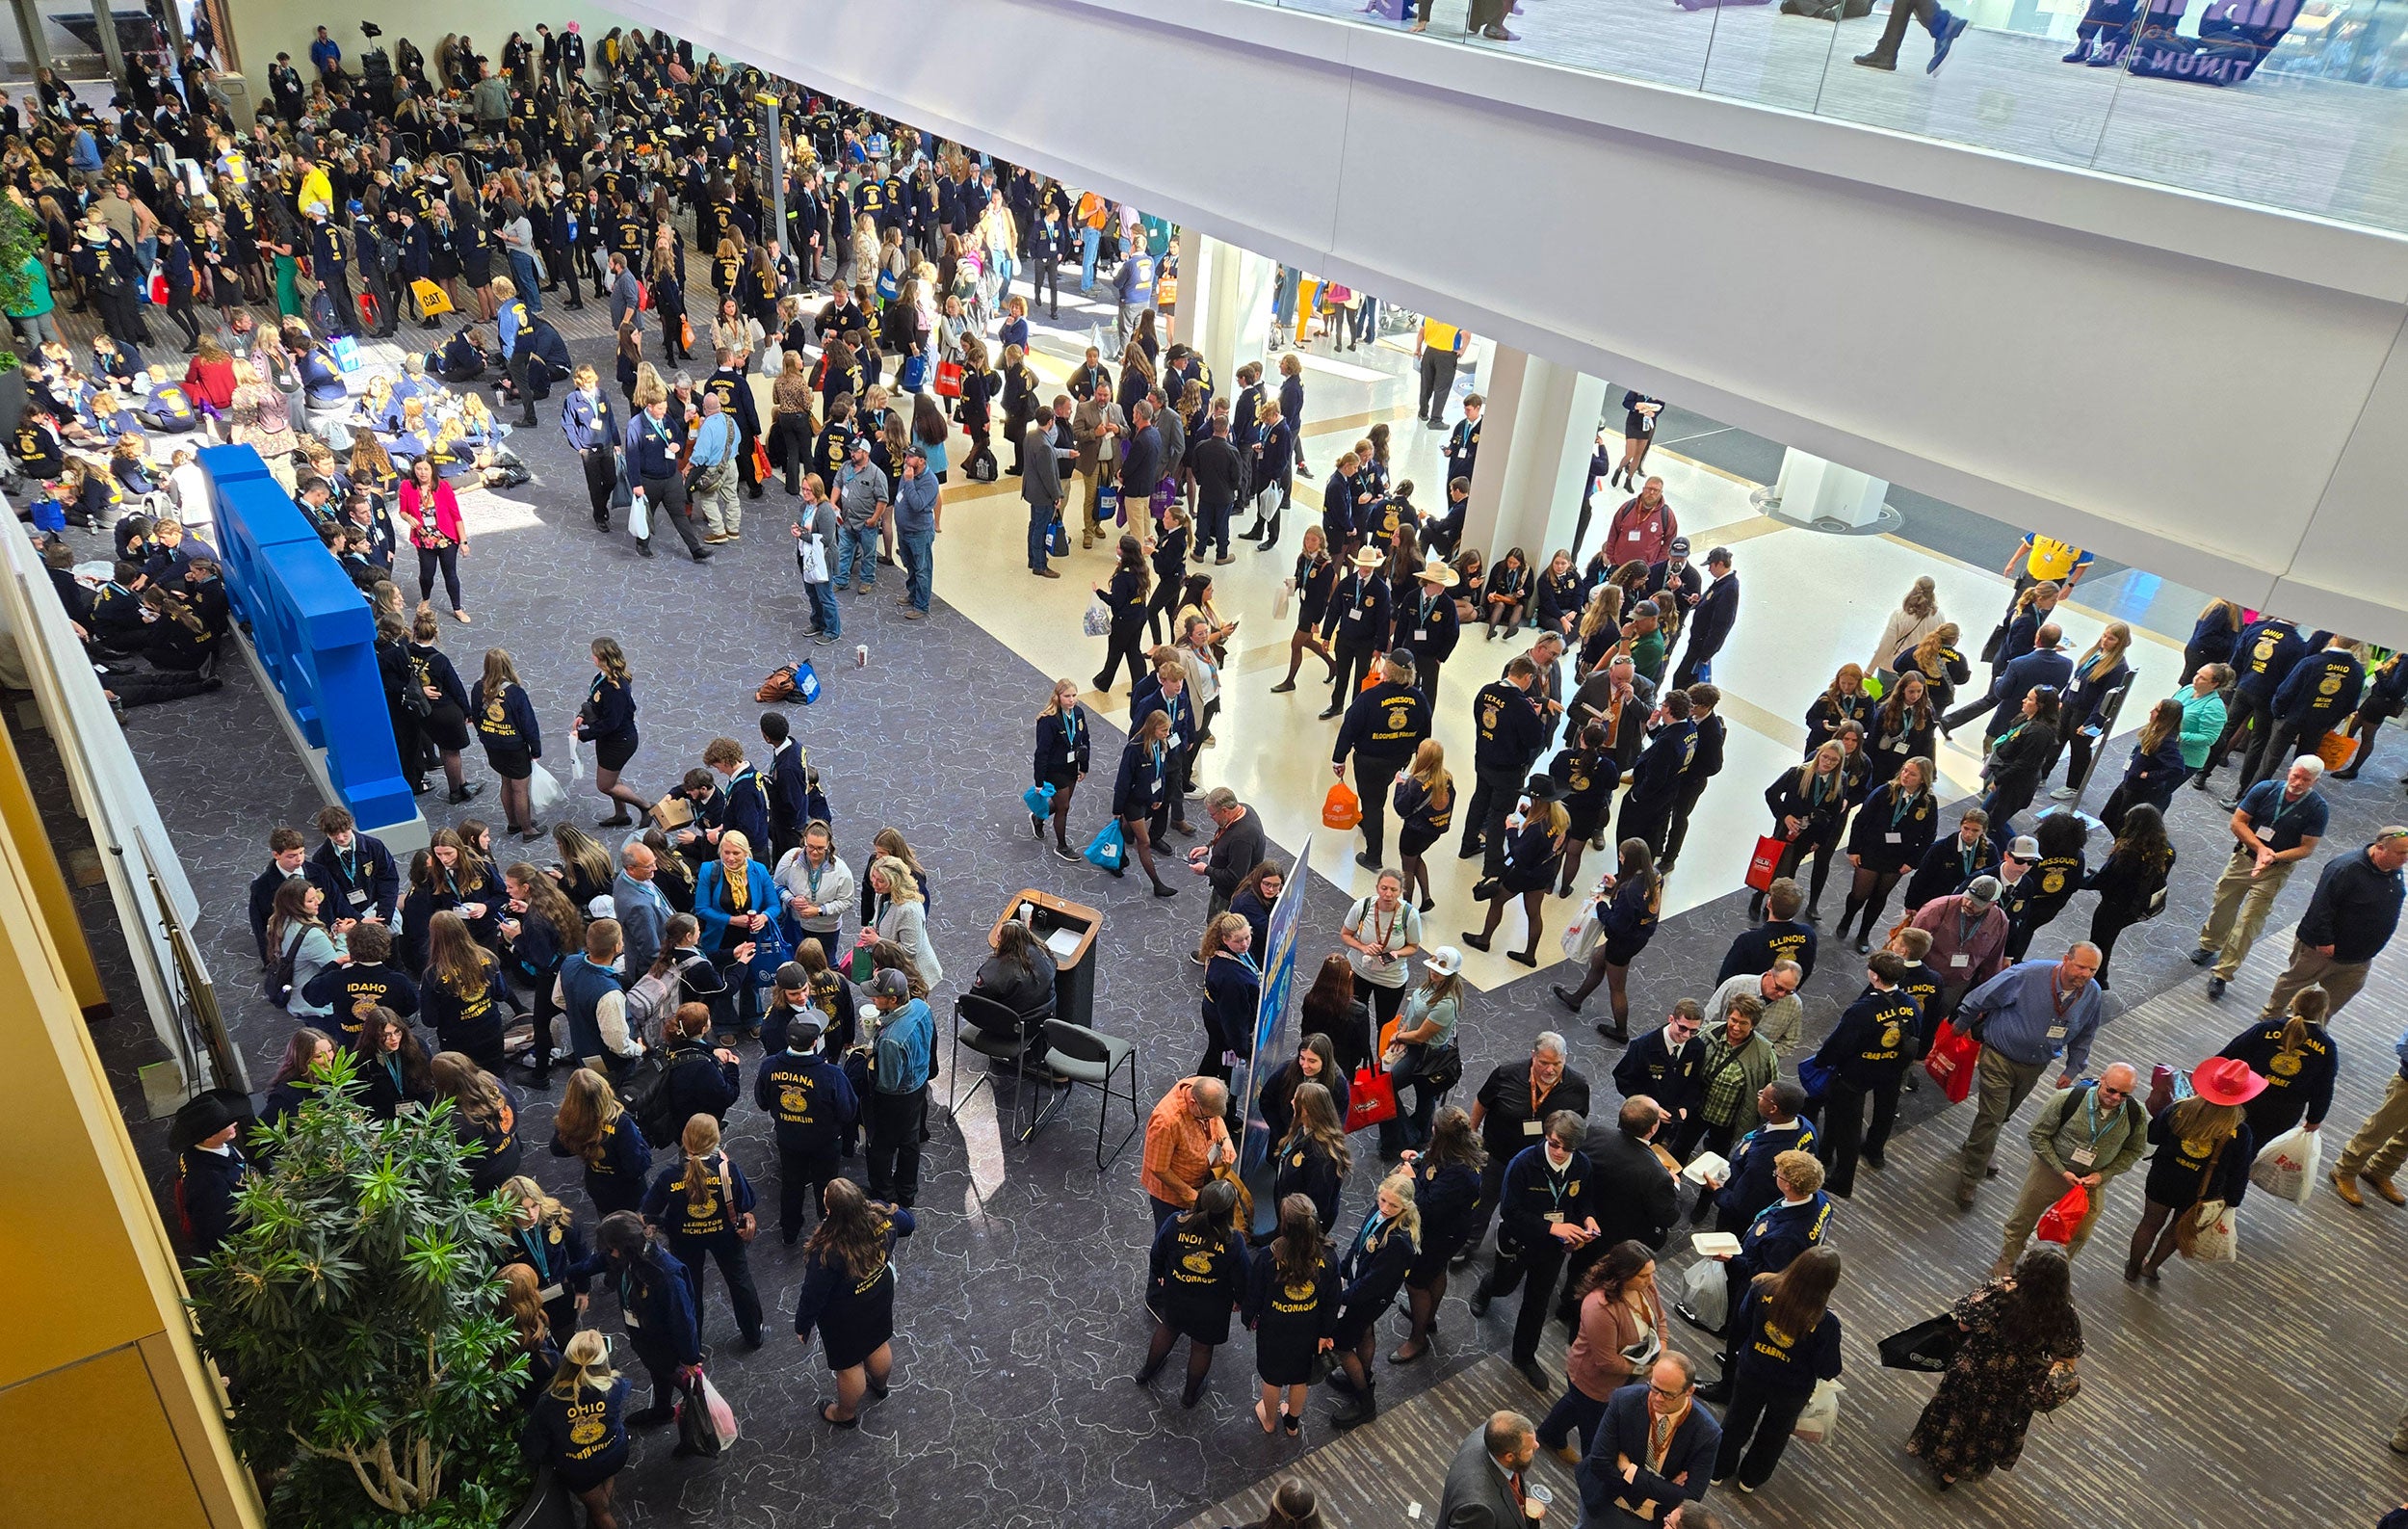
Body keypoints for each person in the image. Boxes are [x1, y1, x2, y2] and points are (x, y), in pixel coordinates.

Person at [1906, 1250, 2083, 1490]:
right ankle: (1951, 1475)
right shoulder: (2064, 1315)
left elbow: (1963, 1322)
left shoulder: (2001, 1290)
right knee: (1984, 1429)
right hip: (2013, 1385)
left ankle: (1925, 1447)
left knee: (1952, 1410)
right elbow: (2067, 1359)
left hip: (1973, 1367)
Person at [1949, 944, 2105, 1209]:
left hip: (2035, 1065)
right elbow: (1981, 996)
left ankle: (1977, 1145)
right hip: (1999, 1056)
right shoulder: (2027, 975)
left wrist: (2072, 1068)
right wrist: (1961, 1024)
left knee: (2002, 1115)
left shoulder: (2092, 993)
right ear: (2066, 959)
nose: (2086, 974)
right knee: (1993, 1116)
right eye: (2081, 966)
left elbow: (2086, 1032)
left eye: (2092, 969)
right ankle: (1969, 1178)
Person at [1472, 1110, 1599, 1394]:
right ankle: (1485, 1288)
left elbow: (1584, 1199)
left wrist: (1588, 1218)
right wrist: (1554, 1228)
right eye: (1555, 1143)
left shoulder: (1582, 1165)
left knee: (1537, 1302)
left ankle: (1524, 1357)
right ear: (1546, 1136)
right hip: (1519, 1240)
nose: (1560, 1151)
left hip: (1552, 1249)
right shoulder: (1523, 1163)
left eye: (1568, 1148)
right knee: (1505, 1285)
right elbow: (1510, 1211)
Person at [2191, 757, 2329, 1000]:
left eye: (2305, 780)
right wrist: (2260, 848)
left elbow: (2307, 848)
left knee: (2249, 921)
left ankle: (2223, 973)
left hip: (2275, 869)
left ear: (2315, 782)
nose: (2297, 783)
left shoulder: (2317, 808)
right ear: (2289, 771)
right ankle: (2209, 944)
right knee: (2223, 903)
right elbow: (2238, 822)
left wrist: (2272, 857)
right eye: (2295, 776)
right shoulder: (2265, 789)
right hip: (2244, 859)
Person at [1704, 1246, 1842, 1487]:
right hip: (1791, 1389)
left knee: (1736, 1420)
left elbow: (1743, 1319)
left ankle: (1718, 1469)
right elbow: (1828, 1368)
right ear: (1829, 1284)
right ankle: (1751, 1478)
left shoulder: (1762, 1288)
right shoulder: (1825, 1322)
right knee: (1775, 1433)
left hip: (1751, 1370)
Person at [1993, 1063, 2146, 1276]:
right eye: (2111, 1090)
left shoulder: (2135, 1114)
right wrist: (2061, 1170)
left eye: (2124, 1094)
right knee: (2023, 1219)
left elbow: (2134, 1150)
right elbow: (2037, 1135)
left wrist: (2103, 1175)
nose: (2115, 1098)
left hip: (2090, 1183)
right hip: (2051, 1171)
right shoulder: (2066, 1099)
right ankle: (2007, 1260)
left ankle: (2051, 1272)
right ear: (2102, 1079)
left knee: (2081, 1233)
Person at [2251, 827, 2408, 1024]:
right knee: (2293, 984)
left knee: (2330, 1003)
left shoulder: (2394, 869)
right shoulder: (2346, 868)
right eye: (2401, 853)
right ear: (2380, 848)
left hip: (2359, 958)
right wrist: (2324, 940)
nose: (2405, 858)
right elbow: (2321, 906)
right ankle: (2269, 1021)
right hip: (2322, 951)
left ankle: (2311, 1031)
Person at [793, 1177, 916, 1427]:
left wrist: (802, 1325)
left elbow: (813, 1294)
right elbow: (908, 1224)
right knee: (878, 1343)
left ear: (830, 1211)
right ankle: (880, 1386)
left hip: (844, 1313)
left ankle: (845, 1414)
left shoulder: (827, 1249)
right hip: (879, 1292)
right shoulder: (881, 1215)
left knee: (849, 1365)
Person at [2129, 1059, 2264, 1284]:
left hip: (2163, 1178)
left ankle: (2132, 1268)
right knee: (2176, 1229)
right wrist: (2233, 1201)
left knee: (2149, 1223)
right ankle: (2151, 1269)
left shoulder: (2180, 1108)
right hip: (2200, 1191)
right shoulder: (2240, 1132)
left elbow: (2153, 1136)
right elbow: (2239, 1172)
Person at [1804, 950, 1920, 1197]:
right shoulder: (1910, 1004)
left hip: (1855, 1074)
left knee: (1846, 1125)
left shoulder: (1863, 1009)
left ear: (1874, 975)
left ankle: (1841, 1177)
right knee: (1884, 1112)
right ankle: (1869, 1151)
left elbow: (1839, 1044)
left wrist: (1822, 1062)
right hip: (1891, 1070)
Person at [1137, 1176, 1249, 1409]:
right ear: (1228, 1212)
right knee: (1201, 1347)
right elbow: (1243, 1278)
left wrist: (1160, 1273)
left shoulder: (1176, 1222)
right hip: (1212, 1306)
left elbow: (1156, 1253)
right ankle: (1189, 1395)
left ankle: (1146, 1372)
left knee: (1167, 1328)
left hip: (1176, 1293)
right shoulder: (1233, 1240)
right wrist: (1239, 1300)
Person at [1577, 1355, 1719, 1529]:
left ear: (1689, 1391)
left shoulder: (1707, 1433)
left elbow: (1690, 1497)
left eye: (1668, 1394)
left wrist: (1630, 1471)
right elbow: (1600, 1461)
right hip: (1604, 1502)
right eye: (1654, 1387)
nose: (1657, 1398)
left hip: (1654, 1520)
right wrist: (1658, 1490)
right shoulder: (1624, 1400)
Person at [1326, 1171, 1420, 1429]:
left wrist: (1339, 1297)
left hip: (1368, 1298)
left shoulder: (1398, 1241)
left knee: (1342, 1346)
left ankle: (1365, 1401)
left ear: (1405, 1207)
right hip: (1360, 1287)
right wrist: (1343, 1270)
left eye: (1393, 1205)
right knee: (1364, 1333)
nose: (1386, 1208)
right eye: (1383, 1200)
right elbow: (1359, 1242)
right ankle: (1362, 1376)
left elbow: (1372, 1285)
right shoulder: (1378, 1212)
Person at [591, 1211, 699, 1428]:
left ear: (626, 1245)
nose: (610, 1255)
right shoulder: (632, 1257)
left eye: (612, 1249)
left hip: (668, 1348)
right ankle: (662, 1410)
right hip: (646, 1339)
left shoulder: (665, 1274)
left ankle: (698, 1430)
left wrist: (690, 1358)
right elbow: (597, 1262)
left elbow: (683, 1319)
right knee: (658, 1373)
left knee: (691, 1391)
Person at [1243, 1192, 1337, 1437]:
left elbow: (1254, 1294)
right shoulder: (1327, 1257)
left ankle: (1269, 1420)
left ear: (1283, 1225)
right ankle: (1292, 1424)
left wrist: (1248, 1318)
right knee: (1300, 1378)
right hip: (1309, 1329)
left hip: (1273, 1329)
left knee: (1272, 1378)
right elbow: (1332, 1299)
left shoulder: (1268, 1256)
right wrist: (1326, 1332)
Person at [1549, 839, 1662, 1041]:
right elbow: (1638, 904)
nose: (1619, 858)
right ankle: (1576, 999)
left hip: (1623, 941)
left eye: (1622, 856)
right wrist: (1614, 886)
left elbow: (1615, 925)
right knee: (1599, 960)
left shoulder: (1628, 891)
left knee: (1617, 987)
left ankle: (1621, 1031)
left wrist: (1601, 905)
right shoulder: (1654, 873)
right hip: (1641, 932)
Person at [521, 1329, 629, 1529]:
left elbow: (532, 1447)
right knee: (601, 1495)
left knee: (600, 1513)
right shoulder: (616, 1386)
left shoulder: (549, 1402)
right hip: (615, 1452)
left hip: (580, 1468)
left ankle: (598, 1513)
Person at [1333, 654, 1431, 870]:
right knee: (1376, 796)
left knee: (1373, 803)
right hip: (1399, 760)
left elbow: (1349, 728)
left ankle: (1373, 856)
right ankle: (1367, 820)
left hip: (1369, 761)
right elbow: (1425, 734)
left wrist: (1338, 758)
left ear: (1387, 671)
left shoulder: (1369, 697)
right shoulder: (1419, 699)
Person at [1838, 756, 1938, 954]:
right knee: (1860, 894)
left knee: (1879, 896)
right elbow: (1860, 820)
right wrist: (1854, 849)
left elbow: (1929, 836)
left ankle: (1864, 933)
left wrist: (1912, 862)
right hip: (1871, 850)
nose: (1906, 775)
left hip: (1897, 858)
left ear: (1923, 779)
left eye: (1912, 774)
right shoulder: (1885, 792)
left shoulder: (1928, 802)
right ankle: (1847, 919)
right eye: (1905, 770)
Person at [861, 967, 934, 1208]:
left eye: (877, 995)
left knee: (881, 1147)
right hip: (919, 1084)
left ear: (893, 999)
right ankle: (907, 1192)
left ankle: (885, 1195)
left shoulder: (892, 1040)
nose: (873, 998)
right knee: (910, 1142)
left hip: (896, 1098)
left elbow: (888, 1083)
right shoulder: (921, 1007)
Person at [549, 1068, 652, 1219]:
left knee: (609, 1226)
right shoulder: (621, 1123)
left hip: (598, 1187)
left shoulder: (570, 1120)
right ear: (605, 1091)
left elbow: (557, 1148)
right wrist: (644, 1146)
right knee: (635, 1228)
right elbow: (636, 1167)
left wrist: (580, 1143)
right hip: (628, 1192)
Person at [1141, 1075, 1234, 1226]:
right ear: (1193, 1103)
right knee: (1170, 1238)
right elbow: (1159, 1169)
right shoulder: (1165, 1123)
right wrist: (1190, 1194)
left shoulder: (1203, 1088)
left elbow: (1215, 1118)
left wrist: (1226, 1140)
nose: (1210, 1120)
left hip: (1199, 1183)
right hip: (1171, 1198)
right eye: (1206, 1117)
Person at [1439, 1411, 1543, 1528]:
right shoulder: (1479, 1509)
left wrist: (1517, 1506)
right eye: (1529, 1449)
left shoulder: (1493, 1434)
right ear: (1509, 1457)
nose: (1537, 1446)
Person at [398, 454, 469, 623]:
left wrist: (464, 541)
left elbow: (456, 516)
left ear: (432, 470)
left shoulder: (443, 487)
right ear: (414, 470)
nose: (422, 473)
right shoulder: (407, 486)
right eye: (419, 469)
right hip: (424, 538)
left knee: (450, 573)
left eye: (426, 469)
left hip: (446, 537)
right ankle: (426, 599)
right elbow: (403, 510)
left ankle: (457, 608)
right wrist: (408, 518)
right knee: (426, 574)